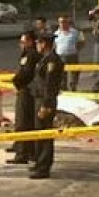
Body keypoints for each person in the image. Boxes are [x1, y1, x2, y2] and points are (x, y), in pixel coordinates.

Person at [29, 32, 64, 180]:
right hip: (39, 99)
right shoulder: (44, 59)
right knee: (39, 133)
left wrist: (45, 105)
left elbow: (50, 85)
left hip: (45, 101)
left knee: (45, 134)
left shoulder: (53, 61)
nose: (37, 46)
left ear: (44, 44)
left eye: (38, 43)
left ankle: (44, 167)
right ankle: (39, 162)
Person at [6, 31, 40, 165]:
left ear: (30, 42)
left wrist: (15, 82)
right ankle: (28, 150)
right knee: (28, 122)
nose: (21, 44)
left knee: (23, 122)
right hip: (29, 91)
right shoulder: (30, 54)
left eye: (23, 41)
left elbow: (25, 73)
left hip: (26, 91)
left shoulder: (31, 55)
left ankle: (22, 154)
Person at [54, 15, 84, 91]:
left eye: (65, 22)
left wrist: (76, 49)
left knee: (74, 73)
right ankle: (63, 88)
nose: (63, 24)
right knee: (62, 74)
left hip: (72, 55)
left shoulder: (75, 32)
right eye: (61, 22)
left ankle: (73, 87)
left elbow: (82, 41)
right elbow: (54, 45)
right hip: (60, 56)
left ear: (68, 22)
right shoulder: (56, 33)